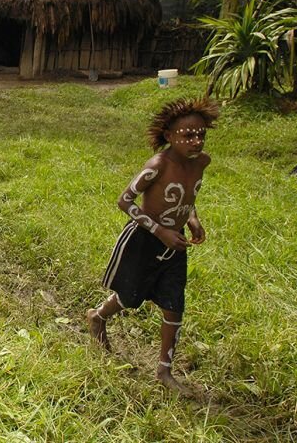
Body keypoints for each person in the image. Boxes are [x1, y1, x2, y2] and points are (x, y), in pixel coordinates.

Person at [87, 97, 219, 393]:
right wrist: (160, 231)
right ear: (169, 136)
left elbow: (188, 198)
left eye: (201, 134)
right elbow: (125, 201)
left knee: (174, 306)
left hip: (175, 243)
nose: (196, 141)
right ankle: (97, 317)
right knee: (130, 296)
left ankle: (164, 372)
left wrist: (193, 219)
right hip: (144, 240)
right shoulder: (158, 165)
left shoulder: (202, 163)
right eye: (188, 135)